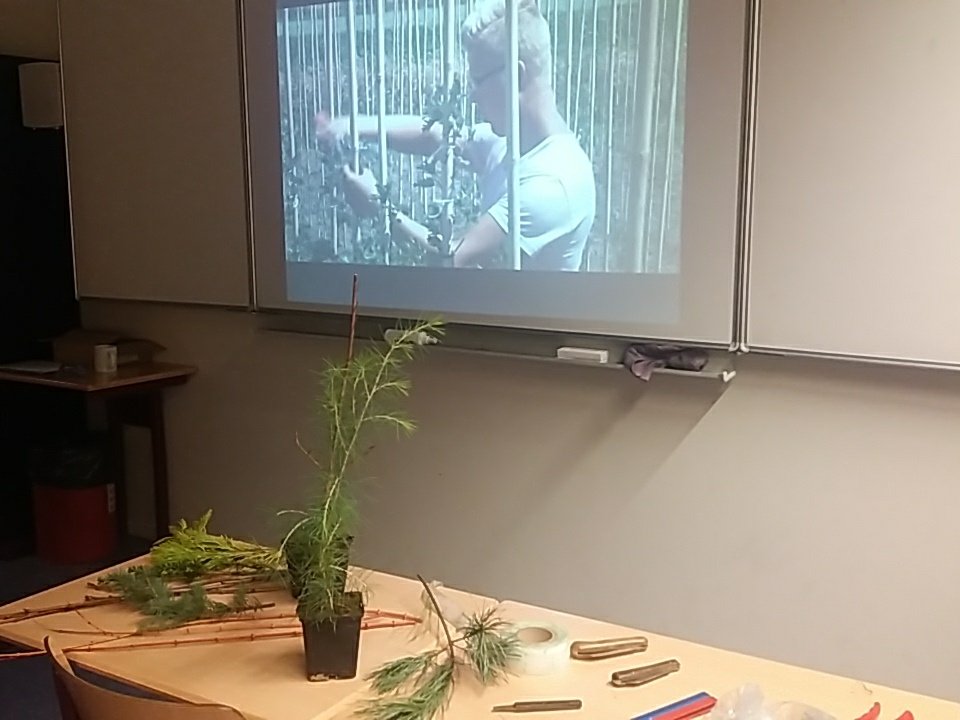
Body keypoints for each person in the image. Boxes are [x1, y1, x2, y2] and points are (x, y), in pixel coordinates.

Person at [316, 0, 596, 271]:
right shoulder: (517, 142)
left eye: (478, 80)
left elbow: (450, 261)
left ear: (516, 76)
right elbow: (439, 136)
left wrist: (379, 207)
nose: (472, 95)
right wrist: (352, 126)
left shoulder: (554, 185)